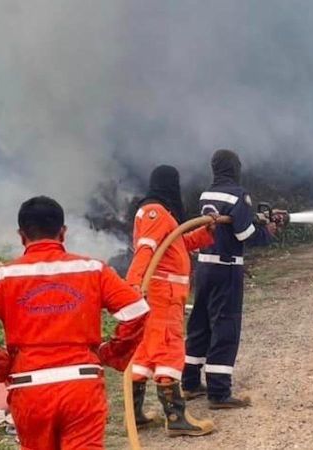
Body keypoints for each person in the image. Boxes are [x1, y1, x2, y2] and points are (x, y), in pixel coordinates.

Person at [0, 196, 149, 450]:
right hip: (82, 387)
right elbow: (137, 310)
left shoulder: (2, 277)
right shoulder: (92, 269)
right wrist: (112, 354)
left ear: (22, 235)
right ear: (63, 232)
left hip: (30, 389)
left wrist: (3, 367)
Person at [125, 165, 216, 436]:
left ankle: (136, 414)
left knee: (145, 350)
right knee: (168, 349)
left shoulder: (160, 214)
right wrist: (134, 285)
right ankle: (176, 417)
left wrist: (205, 232)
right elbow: (146, 249)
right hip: (162, 295)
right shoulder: (157, 212)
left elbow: (177, 244)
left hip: (159, 292)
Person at [183, 149, 277, 409]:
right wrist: (267, 232)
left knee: (200, 323)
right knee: (226, 325)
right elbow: (245, 234)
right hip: (226, 269)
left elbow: (225, 224)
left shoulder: (207, 194)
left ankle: (189, 383)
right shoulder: (238, 194)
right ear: (234, 167)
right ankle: (219, 392)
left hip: (204, 268)